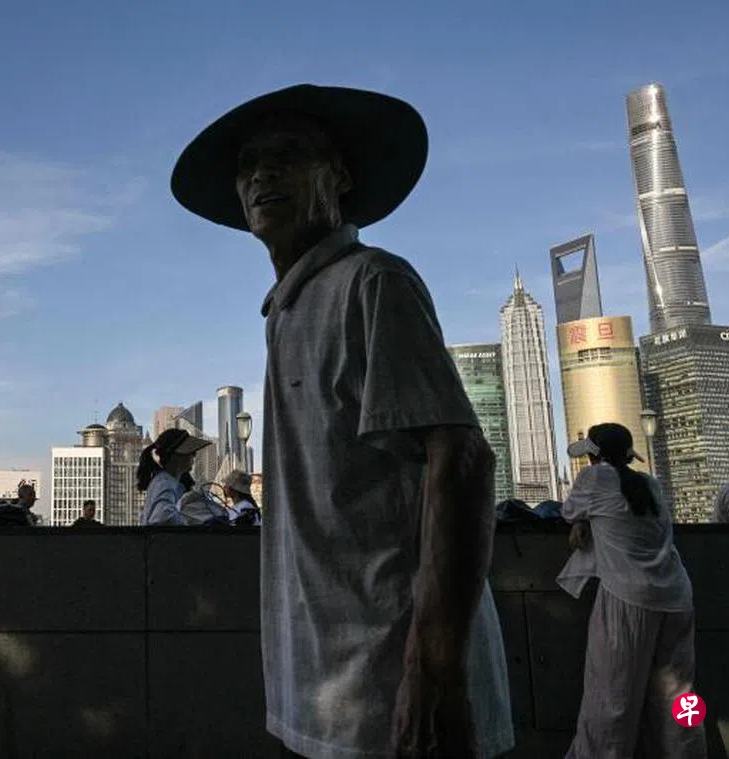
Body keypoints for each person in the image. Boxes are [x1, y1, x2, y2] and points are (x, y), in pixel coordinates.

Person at [170, 84, 513, 758]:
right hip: (323, 689)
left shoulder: (372, 282)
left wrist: (434, 667)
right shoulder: (286, 310)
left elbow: (462, 457)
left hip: (395, 687)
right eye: (249, 165)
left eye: (287, 156)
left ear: (340, 178)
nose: (262, 175)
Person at [557, 423, 705, 758]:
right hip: (677, 596)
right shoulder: (650, 483)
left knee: (612, 697)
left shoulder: (594, 478)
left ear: (593, 457)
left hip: (627, 600)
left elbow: (569, 511)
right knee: (681, 698)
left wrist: (582, 521)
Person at [136, 428, 211, 526]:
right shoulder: (164, 482)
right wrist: (193, 523)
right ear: (176, 456)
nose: (194, 455)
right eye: (191, 452)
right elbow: (162, 517)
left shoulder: (168, 481)